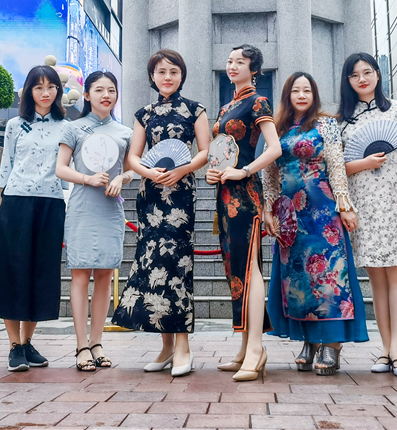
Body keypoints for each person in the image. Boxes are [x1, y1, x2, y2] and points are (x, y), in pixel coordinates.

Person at [112, 49, 210, 377]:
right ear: (152, 76)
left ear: (182, 75)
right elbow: (133, 157)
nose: (167, 77)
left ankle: (183, 346)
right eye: (161, 71)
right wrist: (149, 173)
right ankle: (166, 346)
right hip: (151, 196)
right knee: (153, 265)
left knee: (176, 266)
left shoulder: (195, 110)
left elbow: (206, 151)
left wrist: (183, 169)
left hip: (180, 196)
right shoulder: (144, 113)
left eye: (173, 71)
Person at [262, 72, 368, 376]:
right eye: (295, 90)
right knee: (298, 279)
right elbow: (270, 173)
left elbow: (336, 166)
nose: (301, 95)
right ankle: (308, 339)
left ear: (314, 95)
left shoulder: (326, 125)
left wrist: (344, 205)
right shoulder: (277, 129)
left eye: (307, 90)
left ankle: (331, 344)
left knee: (329, 277)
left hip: (323, 213)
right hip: (290, 216)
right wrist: (269, 209)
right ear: (287, 95)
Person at [338, 53, 397, 378]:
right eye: (355, 75)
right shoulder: (343, 121)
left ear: (378, 74)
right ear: (347, 81)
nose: (362, 79)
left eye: (367, 72)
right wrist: (364, 163)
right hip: (363, 206)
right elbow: (336, 169)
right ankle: (385, 347)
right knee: (376, 281)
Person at [0, 64, 67, 372]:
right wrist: (3, 195)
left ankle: (28, 342)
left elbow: (69, 167)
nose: (45, 93)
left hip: (52, 203)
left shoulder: (66, 127)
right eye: (38, 87)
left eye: (51, 87)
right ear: (28, 91)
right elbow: (7, 162)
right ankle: (14, 346)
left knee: (41, 272)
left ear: (58, 91)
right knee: (12, 270)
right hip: (17, 201)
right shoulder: (15, 125)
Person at [207, 44, 282, 382]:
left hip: (246, 195)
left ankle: (256, 349)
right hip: (224, 194)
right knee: (235, 271)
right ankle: (243, 348)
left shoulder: (258, 101)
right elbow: (220, 152)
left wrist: (245, 170)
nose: (233, 66)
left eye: (240, 61)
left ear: (254, 69)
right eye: (229, 61)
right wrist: (214, 172)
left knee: (249, 268)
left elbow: (274, 148)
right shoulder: (226, 107)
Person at [56, 71, 133, 372]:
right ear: (86, 95)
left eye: (111, 90)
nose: (106, 95)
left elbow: (132, 169)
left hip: (111, 209)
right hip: (82, 208)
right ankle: (81, 346)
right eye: (99, 90)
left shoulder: (125, 132)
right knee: (80, 276)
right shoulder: (73, 128)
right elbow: (61, 168)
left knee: (104, 276)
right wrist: (86, 178)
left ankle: (97, 343)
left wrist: (121, 179)